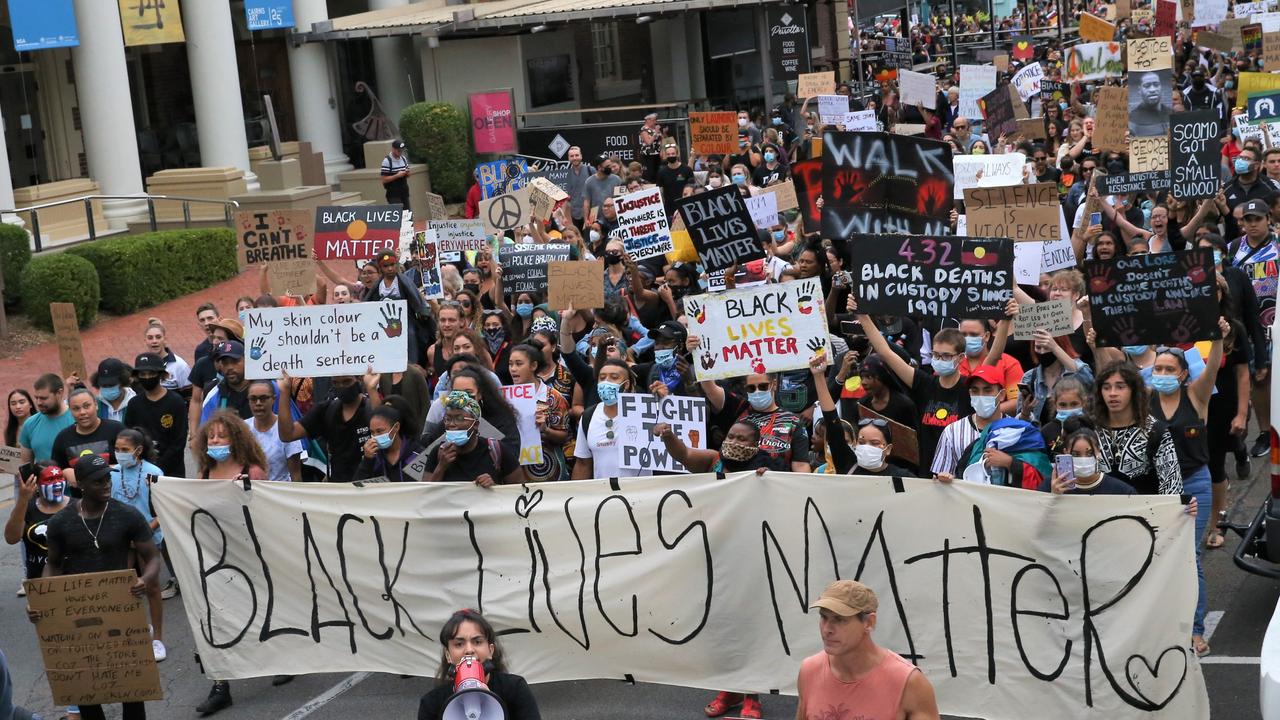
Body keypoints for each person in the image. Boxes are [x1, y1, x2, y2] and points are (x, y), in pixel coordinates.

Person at [28, 454, 162, 720]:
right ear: (81, 485)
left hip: (121, 610)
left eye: (107, 479)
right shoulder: (61, 522)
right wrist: (41, 599)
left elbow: (153, 558)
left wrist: (144, 580)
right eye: (98, 481)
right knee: (88, 693)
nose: (106, 485)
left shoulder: (127, 516)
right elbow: (52, 565)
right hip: (78, 615)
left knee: (131, 692)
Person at [796, 580, 940, 720]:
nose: (827, 629)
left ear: (869, 623)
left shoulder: (909, 683)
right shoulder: (809, 671)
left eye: (839, 619)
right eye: (823, 617)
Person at [417, 609, 540, 720]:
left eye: (477, 642)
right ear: (448, 655)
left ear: (490, 650)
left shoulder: (515, 689)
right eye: (459, 644)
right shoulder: (431, 703)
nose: (469, 650)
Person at [110, 428, 167, 661]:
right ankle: (136, 630)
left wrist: (142, 532)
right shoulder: (112, 473)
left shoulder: (153, 473)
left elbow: (163, 510)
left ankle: (158, 639)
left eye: (125, 450)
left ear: (138, 450)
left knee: (151, 587)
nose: (119, 454)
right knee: (125, 588)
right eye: (116, 449)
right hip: (121, 540)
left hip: (148, 538)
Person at [277, 373, 371, 483]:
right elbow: (288, 434)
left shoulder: (370, 408)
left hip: (370, 488)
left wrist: (372, 389)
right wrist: (284, 392)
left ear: (359, 379)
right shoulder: (326, 410)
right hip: (337, 488)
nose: (341, 387)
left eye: (347, 382)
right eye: (336, 383)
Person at [423, 391, 521, 485]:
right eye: (448, 419)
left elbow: (518, 492)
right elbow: (425, 495)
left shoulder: (496, 450)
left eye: (459, 419)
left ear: (475, 424)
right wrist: (441, 467)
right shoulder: (438, 453)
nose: (452, 424)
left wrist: (494, 487)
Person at [506, 344, 570, 482]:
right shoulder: (504, 399)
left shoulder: (553, 397)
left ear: (533, 365)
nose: (513, 369)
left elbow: (563, 436)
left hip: (549, 472)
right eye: (510, 364)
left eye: (519, 364)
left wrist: (545, 429)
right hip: (513, 470)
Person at [5, 466, 70, 600]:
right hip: (39, 586)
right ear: (37, 485)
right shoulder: (27, 508)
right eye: (50, 479)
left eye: (59, 478)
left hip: (74, 583)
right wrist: (23, 500)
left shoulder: (77, 507)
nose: (56, 483)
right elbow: (11, 538)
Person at [123, 353, 189, 478]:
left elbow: (178, 442)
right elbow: (130, 436)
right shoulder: (134, 404)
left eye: (151, 373)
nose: (147, 378)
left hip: (172, 472)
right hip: (141, 471)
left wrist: (157, 468)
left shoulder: (176, 402)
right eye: (143, 374)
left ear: (160, 375)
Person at [51, 388, 122, 486]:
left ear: (96, 405)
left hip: (116, 495)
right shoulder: (63, 438)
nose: (82, 412)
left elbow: (134, 461)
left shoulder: (116, 429)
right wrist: (65, 472)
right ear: (70, 411)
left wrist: (115, 469)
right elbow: (54, 470)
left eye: (87, 406)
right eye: (76, 408)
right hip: (80, 499)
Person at [1045, 428, 1137, 495]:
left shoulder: (1122, 491)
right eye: (1075, 454)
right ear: (1065, 453)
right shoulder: (1049, 486)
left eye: (1090, 453)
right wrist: (1053, 496)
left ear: (1099, 452)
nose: (1083, 459)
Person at [245, 380, 303, 482]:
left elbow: (296, 475)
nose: (258, 403)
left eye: (263, 398)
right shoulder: (242, 428)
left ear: (273, 399)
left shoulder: (286, 429)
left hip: (280, 493)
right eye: (253, 399)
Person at [355, 405, 422, 482]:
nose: (375, 436)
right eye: (372, 432)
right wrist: (367, 461)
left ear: (396, 427)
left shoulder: (416, 454)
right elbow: (358, 486)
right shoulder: (374, 456)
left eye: (380, 431)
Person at [20, 374, 74, 464]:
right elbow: (25, 464)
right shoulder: (30, 424)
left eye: (43, 398)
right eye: (36, 398)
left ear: (59, 393)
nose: (38, 402)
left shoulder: (77, 419)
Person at [200, 340, 253, 422]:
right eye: (225, 363)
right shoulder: (214, 396)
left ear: (246, 360)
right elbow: (206, 431)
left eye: (235, 361)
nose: (230, 367)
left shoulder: (267, 390)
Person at [142, 318, 192, 395]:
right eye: (150, 338)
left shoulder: (180, 365)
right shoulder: (142, 364)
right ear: (145, 341)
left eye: (158, 337)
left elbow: (189, 397)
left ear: (165, 339)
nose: (154, 341)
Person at [1128, 71, 1171, 137]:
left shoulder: (1172, 113)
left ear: (1161, 87)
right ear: (1139, 90)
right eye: (1147, 86)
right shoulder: (1132, 119)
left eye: (1156, 84)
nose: (1152, 90)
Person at [91, 358, 135, 423]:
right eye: (104, 385)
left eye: (111, 385)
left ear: (123, 382)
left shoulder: (135, 403)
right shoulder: (95, 405)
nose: (107, 388)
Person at [564, 146, 593, 229]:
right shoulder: (566, 175)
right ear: (569, 158)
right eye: (572, 156)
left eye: (577, 155)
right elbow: (565, 198)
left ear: (581, 156)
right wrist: (564, 216)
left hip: (591, 214)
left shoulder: (590, 170)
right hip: (575, 215)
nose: (574, 158)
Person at [381, 139, 411, 209]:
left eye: (402, 150)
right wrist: (397, 175)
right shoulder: (387, 161)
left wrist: (407, 173)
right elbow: (384, 179)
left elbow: (409, 174)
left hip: (404, 192)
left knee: (407, 215)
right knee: (398, 216)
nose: (400, 152)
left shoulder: (403, 159)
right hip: (393, 195)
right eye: (399, 150)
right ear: (393, 149)